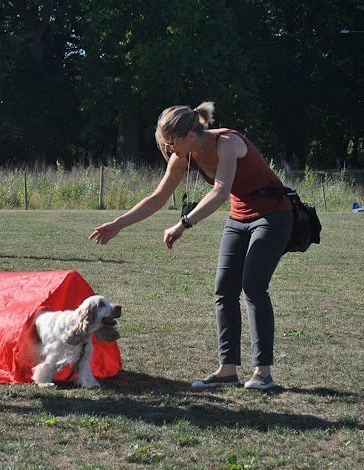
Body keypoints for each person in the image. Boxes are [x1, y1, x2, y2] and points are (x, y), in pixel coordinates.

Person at [89, 102, 293, 390]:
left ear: (191, 137)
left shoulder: (228, 143)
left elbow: (220, 191)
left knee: (253, 286)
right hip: (240, 216)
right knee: (224, 290)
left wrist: (183, 224)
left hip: (273, 215)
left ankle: (263, 372)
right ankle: (227, 370)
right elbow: (158, 197)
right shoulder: (184, 155)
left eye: (171, 143)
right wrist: (118, 224)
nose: (169, 150)